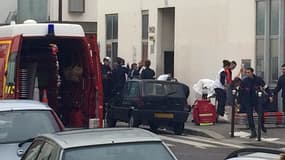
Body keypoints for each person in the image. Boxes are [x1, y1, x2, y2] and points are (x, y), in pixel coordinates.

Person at [239, 67, 267, 138]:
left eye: (248, 72)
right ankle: (253, 131)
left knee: (261, 114)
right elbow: (240, 92)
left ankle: (262, 125)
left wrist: (270, 95)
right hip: (248, 101)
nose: (247, 74)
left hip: (257, 100)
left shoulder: (258, 79)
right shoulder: (244, 81)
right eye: (246, 73)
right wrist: (239, 102)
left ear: (252, 72)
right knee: (249, 116)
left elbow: (265, 86)